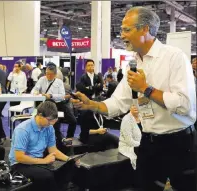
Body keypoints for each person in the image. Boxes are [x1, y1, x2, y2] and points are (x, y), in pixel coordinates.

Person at [72, 6, 196, 191]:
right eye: (122, 29)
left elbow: (184, 104)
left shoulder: (174, 57)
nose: (121, 34)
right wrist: (91, 105)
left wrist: (145, 89)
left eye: (127, 29)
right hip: (148, 142)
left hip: (179, 143)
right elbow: (117, 103)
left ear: (145, 29)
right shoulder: (134, 64)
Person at [9, 101, 79, 191]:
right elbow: (19, 157)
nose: (51, 124)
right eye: (49, 120)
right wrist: (44, 161)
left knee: (69, 166)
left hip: (38, 160)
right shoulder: (23, 129)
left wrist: (69, 160)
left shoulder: (49, 127)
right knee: (46, 175)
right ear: (40, 115)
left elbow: (53, 150)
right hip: (20, 164)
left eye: (54, 121)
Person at [31, 63, 77, 147]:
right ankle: (59, 141)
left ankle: (69, 138)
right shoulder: (42, 79)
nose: (48, 75)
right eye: (47, 73)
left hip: (60, 104)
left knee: (73, 120)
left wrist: (51, 95)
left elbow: (62, 96)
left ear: (55, 74)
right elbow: (34, 90)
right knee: (56, 123)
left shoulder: (59, 82)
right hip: (48, 105)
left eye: (50, 74)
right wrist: (36, 92)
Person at [118, 105, 142, 170]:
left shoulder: (142, 116)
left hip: (140, 144)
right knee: (146, 151)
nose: (135, 107)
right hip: (128, 147)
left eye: (137, 105)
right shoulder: (126, 119)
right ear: (129, 107)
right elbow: (129, 141)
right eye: (133, 105)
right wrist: (143, 144)